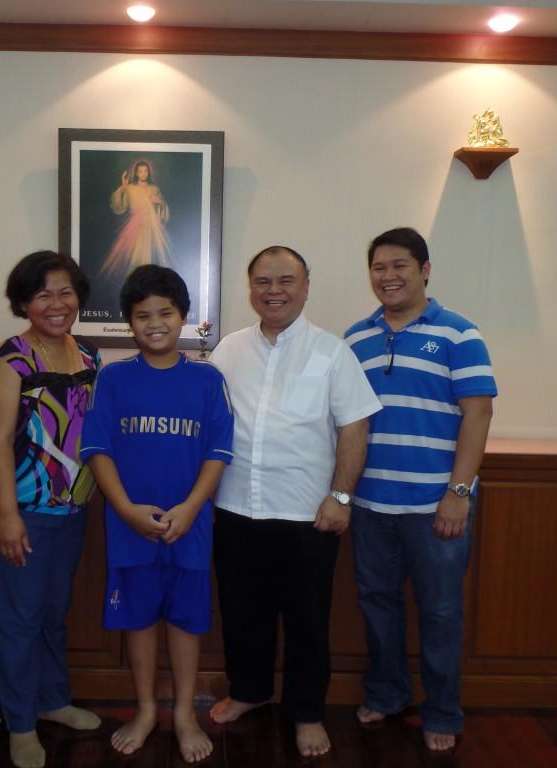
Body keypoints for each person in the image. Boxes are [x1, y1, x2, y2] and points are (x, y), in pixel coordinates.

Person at [207, 246, 382, 757]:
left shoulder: (333, 352)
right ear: (250, 288)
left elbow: (355, 426)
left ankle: (306, 712)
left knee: (307, 621)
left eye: (286, 280)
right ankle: (250, 692)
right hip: (235, 508)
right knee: (243, 614)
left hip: (308, 515)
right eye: (263, 281)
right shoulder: (227, 351)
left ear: (306, 286)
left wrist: (341, 496)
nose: (274, 290)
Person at [344, 227, 497, 752]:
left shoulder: (458, 334)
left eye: (399, 266)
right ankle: (387, 694)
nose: (388, 277)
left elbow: (478, 414)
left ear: (425, 269)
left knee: (440, 612)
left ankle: (442, 713)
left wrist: (459, 491)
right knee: (377, 604)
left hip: (437, 506)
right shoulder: (355, 339)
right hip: (369, 505)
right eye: (378, 268)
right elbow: (346, 423)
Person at [80, 265, 234, 763]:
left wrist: (191, 508)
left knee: (186, 621)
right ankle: (146, 709)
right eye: (142, 315)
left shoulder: (209, 380)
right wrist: (124, 508)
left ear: (183, 317)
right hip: (130, 528)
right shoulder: (114, 378)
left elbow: (218, 453)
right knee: (139, 618)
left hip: (191, 526)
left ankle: (184, 712)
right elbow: (98, 449)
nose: (154, 323)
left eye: (165, 312)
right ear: (129, 324)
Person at [0, 251, 103, 768]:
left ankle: (53, 701)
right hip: (25, 510)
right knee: (20, 618)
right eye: (42, 295)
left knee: (53, 614)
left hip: (73, 511)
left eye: (65, 293)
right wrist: (7, 515)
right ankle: (21, 723)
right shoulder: (11, 360)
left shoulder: (90, 355)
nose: (56, 305)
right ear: (24, 303)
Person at [101, 159, 173, 280]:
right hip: (136, 227)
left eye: (145, 171)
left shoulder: (154, 188)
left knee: (153, 256)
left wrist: (158, 202)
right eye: (140, 171)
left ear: (149, 172)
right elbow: (118, 205)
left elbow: (163, 207)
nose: (143, 174)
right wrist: (124, 186)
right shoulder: (130, 188)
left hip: (152, 227)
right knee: (135, 258)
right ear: (136, 173)